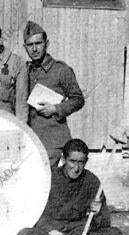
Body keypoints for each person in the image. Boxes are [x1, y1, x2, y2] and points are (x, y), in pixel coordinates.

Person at [17, 139, 123, 235]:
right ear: (63, 159)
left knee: (116, 234)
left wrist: (97, 212)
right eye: (72, 161)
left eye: (81, 162)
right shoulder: (49, 178)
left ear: (86, 162)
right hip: (52, 232)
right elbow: (38, 215)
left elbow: (104, 223)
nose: (76, 168)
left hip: (78, 232)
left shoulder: (92, 181)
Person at [23, 21, 84, 168]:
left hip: (53, 139)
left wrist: (56, 109)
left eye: (39, 43)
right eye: (30, 45)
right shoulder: (24, 70)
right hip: (30, 138)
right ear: (25, 47)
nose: (35, 49)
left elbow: (78, 99)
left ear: (47, 43)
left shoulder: (61, 70)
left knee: (48, 181)